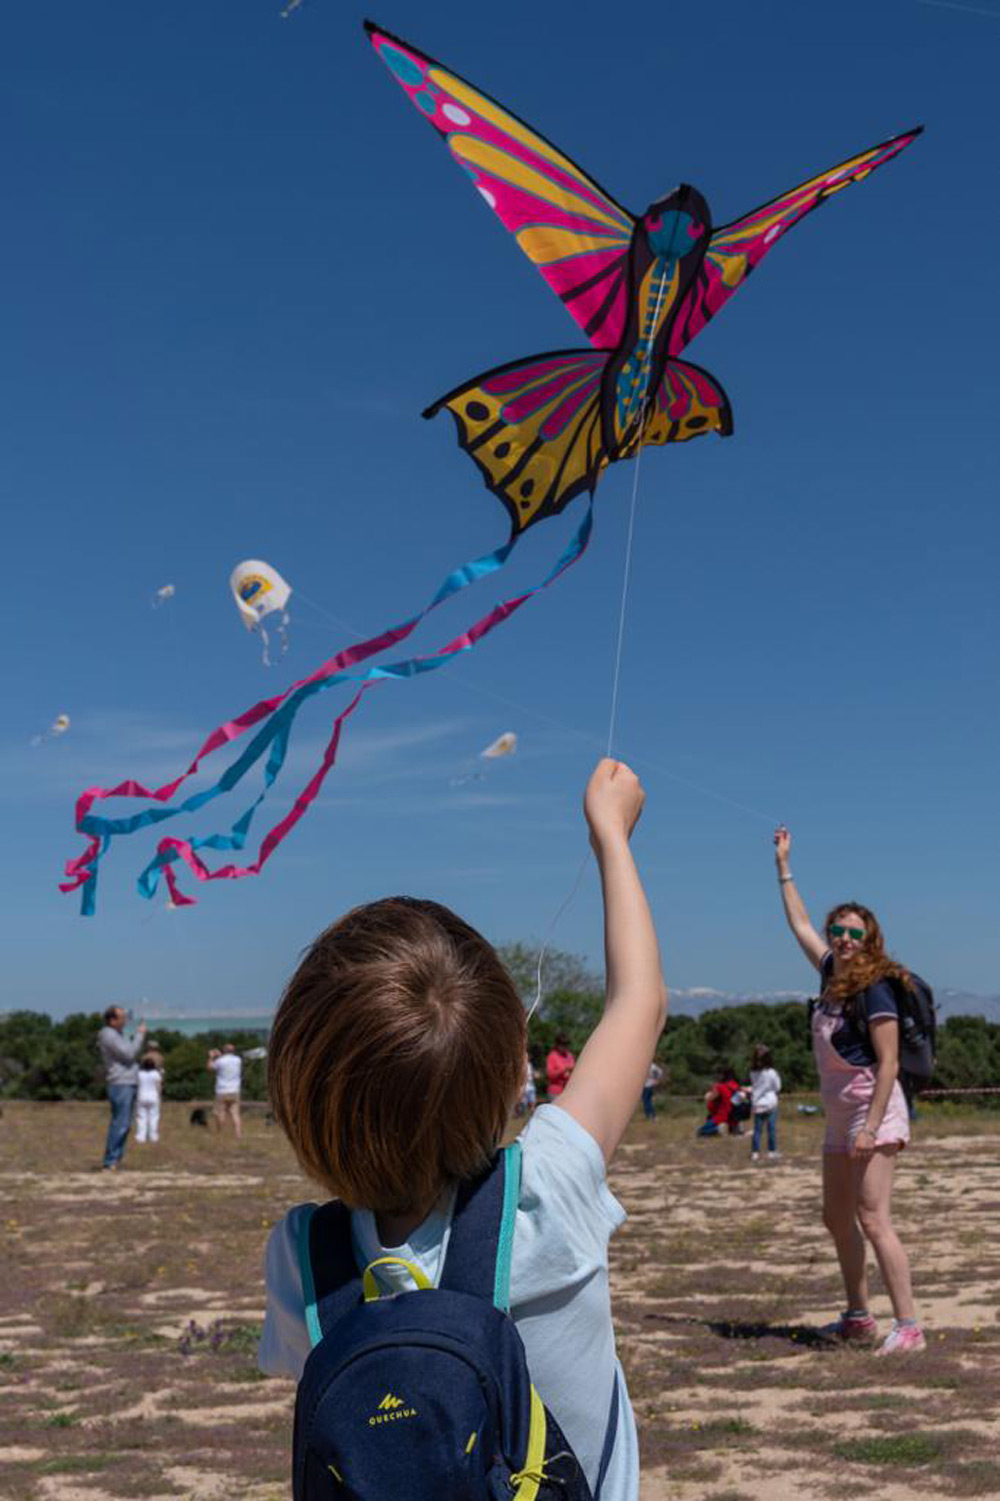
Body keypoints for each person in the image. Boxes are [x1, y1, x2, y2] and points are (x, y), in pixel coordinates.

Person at [259, 758, 665, 1499]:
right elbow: (639, 1002)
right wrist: (612, 834)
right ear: (518, 1073)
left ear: (296, 1095)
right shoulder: (547, 1188)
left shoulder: (302, 1256)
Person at [773, 825, 924, 1355]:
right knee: (836, 1217)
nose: (842, 938)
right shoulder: (830, 976)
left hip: (873, 1112)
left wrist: (870, 1125)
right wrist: (784, 865)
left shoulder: (875, 987)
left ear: (871, 939)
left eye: (853, 932)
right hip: (841, 1118)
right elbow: (798, 923)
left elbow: (887, 1065)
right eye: (838, 929)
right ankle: (859, 1315)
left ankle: (908, 1327)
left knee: (873, 1218)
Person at [96, 1006, 146, 1170]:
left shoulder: (116, 1035)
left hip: (127, 1081)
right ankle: (110, 1161)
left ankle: (115, 1160)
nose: (125, 1020)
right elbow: (129, 1053)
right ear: (112, 1020)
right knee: (121, 1123)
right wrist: (139, 1035)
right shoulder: (109, 1035)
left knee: (125, 1124)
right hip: (120, 1083)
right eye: (122, 1017)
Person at [749, 1043, 782, 1162]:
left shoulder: (753, 1073)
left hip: (757, 1103)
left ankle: (755, 1152)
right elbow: (777, 1087)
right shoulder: (772, 1072)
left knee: (757, 1130)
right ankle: (772, 1152)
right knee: (771, 1128)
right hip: (771, 1103)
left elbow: (754, 1086)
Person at [696, 1064, 742, 1136]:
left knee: (700, 1131)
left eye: (717, 1074)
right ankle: (732, 1128)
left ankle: (718, 1129)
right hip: (733, 1117)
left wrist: (706, 1095)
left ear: (722, 1075)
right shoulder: (734, 1084)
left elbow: (710, 1098)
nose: (715, 1076)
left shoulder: (719, 1087)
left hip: (721, 1116)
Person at [208, 1043, 243, 1137]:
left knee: (221, 1112)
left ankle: (220, 1132)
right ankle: (238, 1133)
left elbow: (209, 1067)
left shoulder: (220, 1061)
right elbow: (228, 1060)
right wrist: (220, 1055)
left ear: (224, 1051)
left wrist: (211, 1057)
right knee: (235, 1113)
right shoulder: (238, 1060)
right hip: (235, 1090)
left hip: (222, 1090)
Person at [135, 1055, 165, 1145]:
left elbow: (137, 1085)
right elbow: (159, 1086)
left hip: (141, 1096)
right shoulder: (156, 1074)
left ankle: (141, 1137)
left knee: (141, 1117)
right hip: (153, 1097)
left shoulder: (139, 1074)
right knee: (154, 1117)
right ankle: (153, 1137)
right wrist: (160, 1096)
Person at [545, 1031, 576, 1098]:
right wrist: (564, 1069)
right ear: (557, 1044)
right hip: (555, 1092)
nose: (565, 1047)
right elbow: (550, 1075)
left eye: (566, 1044)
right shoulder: (552, 1056)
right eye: (563, 1044)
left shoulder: (569, 1055)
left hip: (568, 1091)